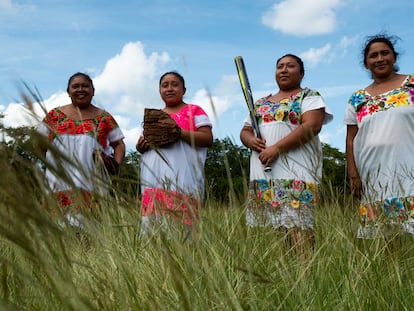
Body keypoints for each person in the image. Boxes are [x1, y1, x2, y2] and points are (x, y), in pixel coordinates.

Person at [240, 54, 333, 254]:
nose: (284, 70)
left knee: (299, 230)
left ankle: (306, 279)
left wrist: (277, 148)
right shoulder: (260, 102)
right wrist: (249, 140)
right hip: (263, 177)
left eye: (290, 66)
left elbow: (312, 125)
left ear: (301, 73)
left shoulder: (308, 96)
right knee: (270, 234)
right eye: (280, 66)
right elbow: (245, 130)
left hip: (296, 174)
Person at [344, 34, 414, 239]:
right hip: (373, 175)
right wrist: (353, 175)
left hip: (409, 168)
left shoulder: (411, 84)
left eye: (385, 53)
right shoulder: (357, 98)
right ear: (366, 64)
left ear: (394, 57)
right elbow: (350, 139)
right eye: (373, 55)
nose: (380, 58)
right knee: (382, 239)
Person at [37, 72, 126, 227]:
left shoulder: (104, 118)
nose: (80, 89)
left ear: (93, 91)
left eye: (85, 86)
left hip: (92, 184)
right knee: (58, 233)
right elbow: (38, 141)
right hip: (57, 183)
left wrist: (115, 167)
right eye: (75, 86)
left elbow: (119, 144)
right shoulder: (55, 115)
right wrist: (48, 163)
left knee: (89, 233)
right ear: (68, 91)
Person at [136, 71, 213, 237]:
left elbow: (207, 139)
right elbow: (147, 143)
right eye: (165, 85)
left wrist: (179, 133)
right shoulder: (154, 116)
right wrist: (141, 147)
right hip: (154, 180)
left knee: (184, 234)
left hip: (183, 179)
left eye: (174, 84)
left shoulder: (194, 110)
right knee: (154, 233)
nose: (169, 88)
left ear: (184, 90)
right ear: (159, 90)